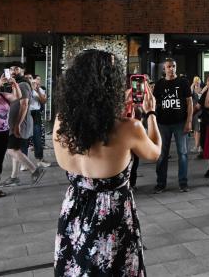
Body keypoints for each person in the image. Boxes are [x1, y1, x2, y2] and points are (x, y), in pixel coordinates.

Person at [53, 50, 161, 276]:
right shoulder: (129, 129)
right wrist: (150, 113)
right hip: (111, 215)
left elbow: (93, 126)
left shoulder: (61, 122)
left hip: (74, 207)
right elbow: (154, 152)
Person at [1, 65, 46, 187]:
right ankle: (14, 177)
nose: (13, 71)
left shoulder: (23, 85)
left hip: (20, 122)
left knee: (11, 149)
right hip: (15, 122)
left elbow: (24, 105)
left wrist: (18, 124)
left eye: (16, 68)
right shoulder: (16, 85)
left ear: (22, 71)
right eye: (10, 69)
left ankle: (35, 170)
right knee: (16, 149)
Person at [152, 58, 193, 193]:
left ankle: (183, 182)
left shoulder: (183, 82)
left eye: (173, 66)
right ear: (164, 68)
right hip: (163, 123)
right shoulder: (159, 84)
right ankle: (161, 183)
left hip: (180, 122)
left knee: (183, 153)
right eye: (169, 66)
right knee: (162, 155)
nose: (171, 69)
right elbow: (153, 102)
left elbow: (189, 103)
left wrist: (189, 121)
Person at [21, 74, 50, 168]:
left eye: (30, 78)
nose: (29, 80)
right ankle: (24, 162)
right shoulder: (23, 88)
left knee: (37, 137)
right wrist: (31, 90)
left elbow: (44, 101)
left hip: (36, 113)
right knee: (25, 138)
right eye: (27, 78)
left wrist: (37, 90)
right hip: (26, 113)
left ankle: (40, 159)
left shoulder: (39, 89)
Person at [190, 76, 203, 153]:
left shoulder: (202, 89)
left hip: (200, 112)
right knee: (195, 130)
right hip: (194, 112)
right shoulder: (192, 89)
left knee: (198, 130)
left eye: (198, 81)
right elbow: (189, 93)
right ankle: (197, 146)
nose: (197, 82)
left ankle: (198, 146)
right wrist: (192, 85)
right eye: (195, 81)